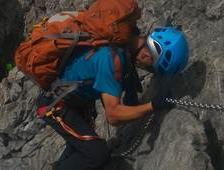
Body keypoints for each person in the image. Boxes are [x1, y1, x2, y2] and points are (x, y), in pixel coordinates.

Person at [36, 26, 190, 169]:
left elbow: (129, 101)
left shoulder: (126, 41)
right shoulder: (113, 60)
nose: (147, 70)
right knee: (97, 154)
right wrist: (153, 105)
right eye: (151, 67)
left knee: (82, 148)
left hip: (75, 100)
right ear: (145, 54)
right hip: (56, 105)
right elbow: (113, 116)